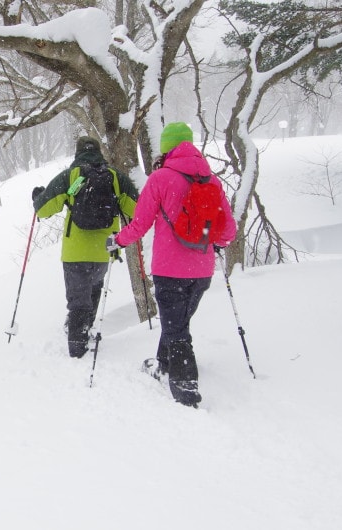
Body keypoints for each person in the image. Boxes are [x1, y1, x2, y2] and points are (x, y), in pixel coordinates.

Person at [110, 122, 236, 407]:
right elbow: (228, 231)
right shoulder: (211, 180)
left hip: (169, 270)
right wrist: (213, 242)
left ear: (166, 148)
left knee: (177, 329)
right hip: (202, 270)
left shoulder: (161, 178)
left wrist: (118, 240)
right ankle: (164, 364)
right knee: (177, 322)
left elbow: (140, 224)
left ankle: (185, 386)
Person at [32, 136, 138, 359]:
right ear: (99, 152)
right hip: (105, 249)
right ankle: (84, 330)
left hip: (76, 251)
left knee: (78, 300)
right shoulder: (115, 177)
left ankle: (77, 348)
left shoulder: (71, 176)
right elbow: (137, 209)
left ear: (77, 153)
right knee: (94, 289)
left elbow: (43, 209)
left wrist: (37, 198)